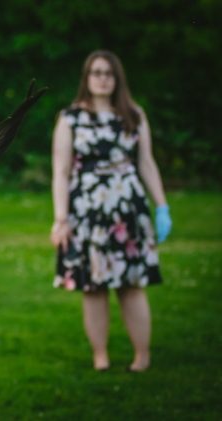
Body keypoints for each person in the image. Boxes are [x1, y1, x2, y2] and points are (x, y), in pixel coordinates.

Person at [50, 50, 172, 372]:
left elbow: (146, 163)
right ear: (86, 78)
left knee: (132, 285)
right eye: (96, 72)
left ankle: (141, 356)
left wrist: (162, 206)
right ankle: (100, 356)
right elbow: (61, 171)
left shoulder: (133, 115)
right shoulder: (70, 118)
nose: (102, 78)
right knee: (93, 287)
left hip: (128, 209)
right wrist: (61, 218)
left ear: (117, 79)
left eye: (108, 73)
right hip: (86, 211)